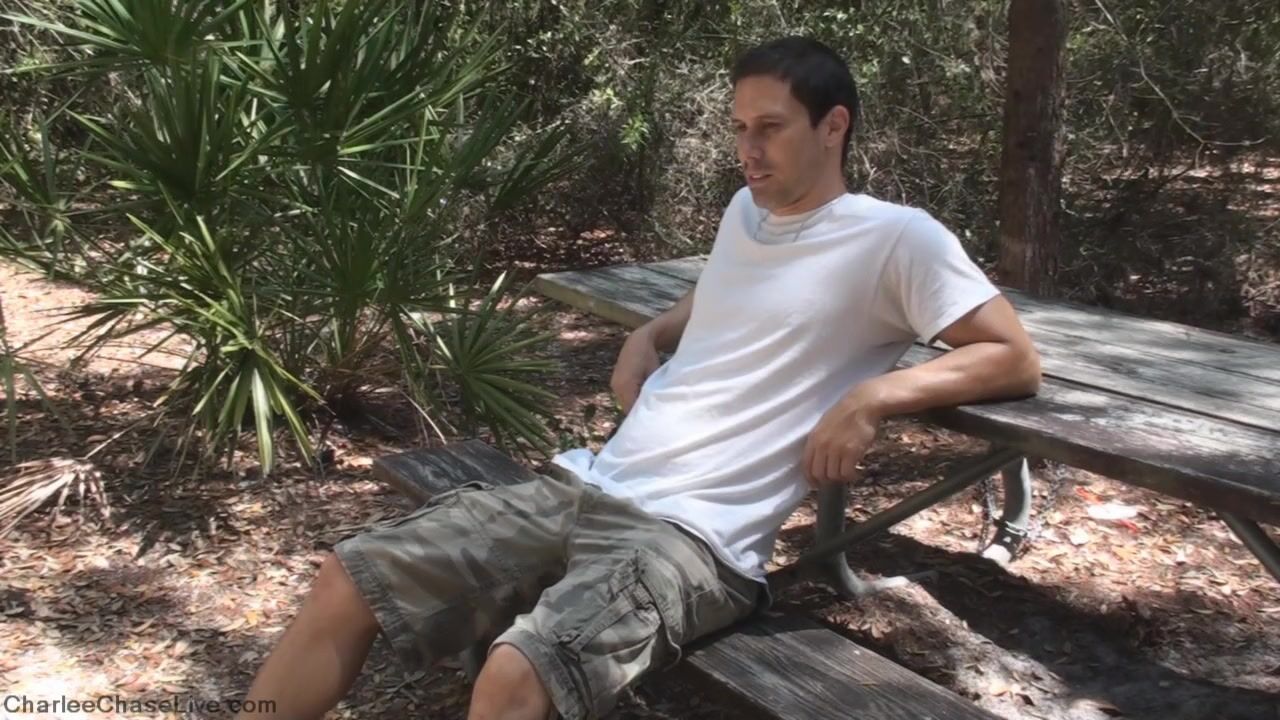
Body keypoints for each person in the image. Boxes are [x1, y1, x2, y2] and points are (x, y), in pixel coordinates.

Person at [236, 35, 1041, 720]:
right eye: (739, 128)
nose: (749, 150)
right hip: (591, 484)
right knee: (349, 577)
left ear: (834, 126)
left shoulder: (897, 239)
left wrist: (875, 395)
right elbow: (721, 293)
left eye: (770, 128)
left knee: (515, 674)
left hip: (694, 538)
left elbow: (1012, 355)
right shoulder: (746, 212)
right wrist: (649, 334)